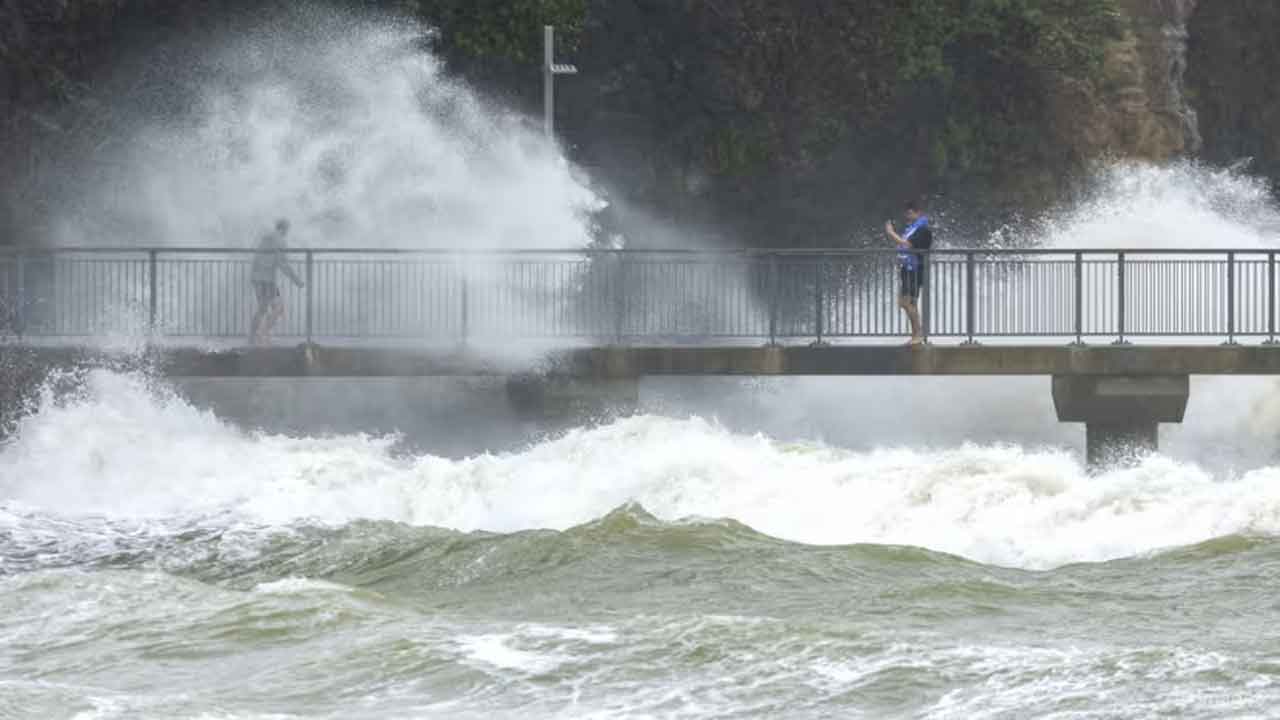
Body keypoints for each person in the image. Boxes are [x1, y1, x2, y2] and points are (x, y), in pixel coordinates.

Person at [884, 200, 933, 346]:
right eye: (907, 213)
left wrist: (890, 232)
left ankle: (918, 335)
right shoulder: (912, 228)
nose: (907, 215)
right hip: (907, 268)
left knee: (908, 302)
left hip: (915, 269)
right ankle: (916, 334)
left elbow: (907, 245)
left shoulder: (923, 229)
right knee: (905, 302)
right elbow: (904, 245)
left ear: (918, 212)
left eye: (910, 212)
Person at [249, 218, 304, 346]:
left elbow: (258, 257)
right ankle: (262, 333)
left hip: (257, 277)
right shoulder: (280, 241)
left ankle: (253, 336)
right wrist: (297, 280)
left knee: (263, 308)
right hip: (267, 279)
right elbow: (283, 264)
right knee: (278, 308)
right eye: (287, 229)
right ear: (284, 229)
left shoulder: (266, 237)